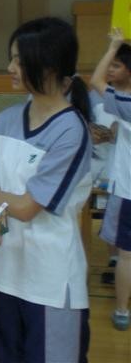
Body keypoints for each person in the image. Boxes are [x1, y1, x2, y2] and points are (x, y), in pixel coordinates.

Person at [0, 17, 92, 362]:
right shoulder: (7, 119)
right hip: (3, 271)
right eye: (11, 58)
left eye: (18, 59)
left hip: (48, 279)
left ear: (49, 66)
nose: (10, 68)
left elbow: (27, 207)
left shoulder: (71, 130)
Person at [90, 27, 131, 331]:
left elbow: (95, 81)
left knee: (126, 256)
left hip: (127, 190)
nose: (112, 69)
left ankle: (121, 311)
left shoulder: (125, 104)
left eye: (117, 64)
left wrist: (114, 44)